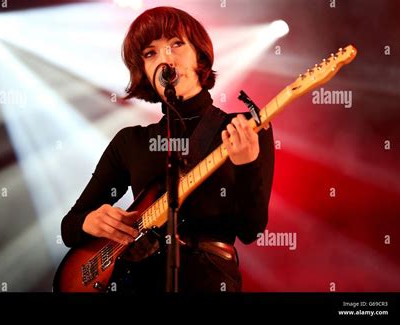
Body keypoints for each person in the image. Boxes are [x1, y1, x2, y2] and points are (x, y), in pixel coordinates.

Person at [61, 6, 274, 293]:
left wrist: (247, 165)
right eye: (151, 53)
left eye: (176, 44)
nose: (166, 59)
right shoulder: (130, 142)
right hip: (136, 283)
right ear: (144, 72)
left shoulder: (243, 128)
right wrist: (91, 221)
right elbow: (69, 226)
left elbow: (251, 231)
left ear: (200, 54)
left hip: (209, 282)